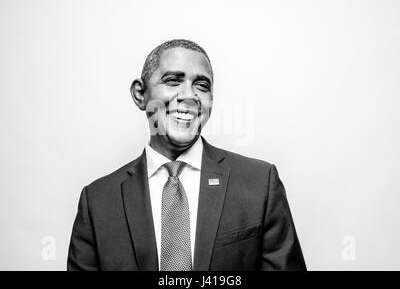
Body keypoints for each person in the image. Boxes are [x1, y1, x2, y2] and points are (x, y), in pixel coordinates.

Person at [67, 39, 306, 271]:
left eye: (202, 85)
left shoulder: (259, 183)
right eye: (173, 80)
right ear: (140, 94)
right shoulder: (97, 202)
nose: (189, 96)